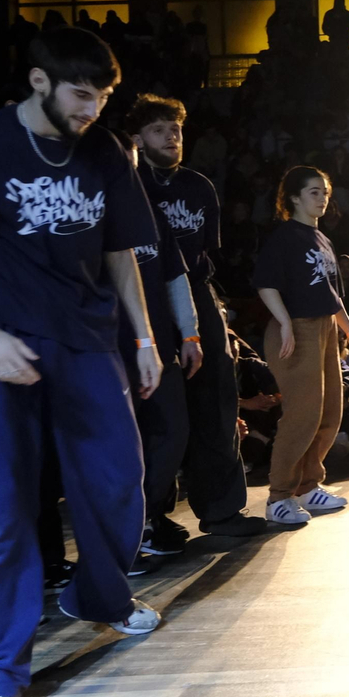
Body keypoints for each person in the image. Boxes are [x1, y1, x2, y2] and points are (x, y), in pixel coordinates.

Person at [0, 27, 164, 697]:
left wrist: (143, 335)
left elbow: (119, 251)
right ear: (38, 81)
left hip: (85, 336)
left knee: (120, 481)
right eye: (81, 95)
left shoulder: (106, 150)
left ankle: (98, 596)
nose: (92, 109)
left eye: (102, 97)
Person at [130, 94, 264, 543]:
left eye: (176, 129)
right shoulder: (129, 187)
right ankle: (154, 515)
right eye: (158, 130)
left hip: (196, 292)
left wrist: (206, 313)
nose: (171, 137)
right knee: (159, 411)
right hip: (145, 296)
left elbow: (205, 254)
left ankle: (222, 510)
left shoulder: (199, 186)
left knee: (218, 400)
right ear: (137, 139)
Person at [252, 166, 349, 526]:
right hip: (296, 328)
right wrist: (284, 322)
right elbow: (266, 284)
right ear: (294, 197)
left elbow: (332, 295)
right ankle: (279, 497)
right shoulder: (285, 237)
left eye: (325, 192)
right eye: (314, 192)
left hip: (325, 329)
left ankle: (307, 485)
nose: (323, 198)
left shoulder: (322, 239)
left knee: (330, 412)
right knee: (303, 414)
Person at [112, 131, 203, 562]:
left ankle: (146, 520)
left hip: (159, 348)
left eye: (132, 162)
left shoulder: (149, 211)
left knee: (172, 432)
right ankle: (123, 536)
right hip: (110, 352)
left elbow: (175, 277)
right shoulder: (88, 215)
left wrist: (190, 334)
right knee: (121, 445)